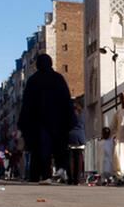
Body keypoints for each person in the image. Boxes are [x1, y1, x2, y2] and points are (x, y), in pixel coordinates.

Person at [17, 54, 74, 183]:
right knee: (59, 148)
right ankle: (62, 173)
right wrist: (70, 120)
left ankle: (41, 175)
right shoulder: (58, 79)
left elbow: (26, 104)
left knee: (39, 150)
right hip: (56, 123)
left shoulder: (33, 81)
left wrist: (23, 123)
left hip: (39, 124)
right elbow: (66, 101)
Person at [68, 103, 87, 186]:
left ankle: (71, 178)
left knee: (70, 160)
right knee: (79, 160)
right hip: (80, 138)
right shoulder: (82, 116)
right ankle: (77, 179)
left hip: (70, 137)